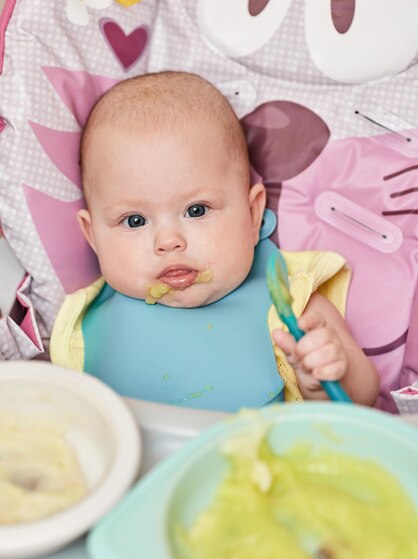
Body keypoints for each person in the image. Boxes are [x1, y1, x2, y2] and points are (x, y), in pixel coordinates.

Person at [50, 71, 379, 412]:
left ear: (253, 214)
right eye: (134, 220)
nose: (168, 241)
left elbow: (362, 398)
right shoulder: (80, 326)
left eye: (196, 210)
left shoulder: (290, 301)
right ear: (93, 236)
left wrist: (324, 376)